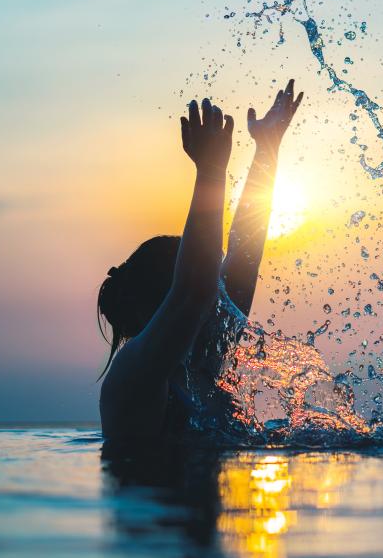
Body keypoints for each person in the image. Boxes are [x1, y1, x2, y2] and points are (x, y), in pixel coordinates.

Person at [96, 80, 303, 450]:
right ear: (166, 300)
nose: (220, 298)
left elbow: (242, 255)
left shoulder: (202, 361)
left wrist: (267, 150)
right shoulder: (135, 372)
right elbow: (195, 289)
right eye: (213, 288)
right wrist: (209, 171)